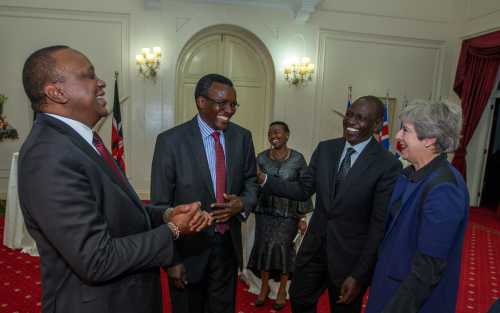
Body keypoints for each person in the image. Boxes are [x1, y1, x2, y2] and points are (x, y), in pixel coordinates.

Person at [18, 45, 212, 313]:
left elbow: (112, 210)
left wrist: (165, 215)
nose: (101, 83)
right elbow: (96, 259)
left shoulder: (78, 141)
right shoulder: (48, 154)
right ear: (56, 92)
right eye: (88, 76)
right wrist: (174, 230)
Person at [257, 96, 402, 313]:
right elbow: (303, 189)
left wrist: (360, 274)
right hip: (314, 250)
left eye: (361, 118)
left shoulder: (387, 164)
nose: (351, 122)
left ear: (377, 125)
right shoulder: (326, 149)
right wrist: (265, 180)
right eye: (350, 115)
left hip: (349, 259)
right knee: (299, 299)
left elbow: (378, 225)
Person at [150, 73, 258, 313]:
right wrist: (172, 260)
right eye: (223, 103)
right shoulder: (170, 142)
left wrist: (243, 203)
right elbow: (160, 206)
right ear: (201, 101)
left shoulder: (242, 138)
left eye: (233, 104)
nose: (229, 110)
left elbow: (252, 181)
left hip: (227, 248)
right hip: (187, 252)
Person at [365, 100, 469, 313]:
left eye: (406, 130)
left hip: (409, 302)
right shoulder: (410, 174)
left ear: (430, 139)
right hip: (388, 286)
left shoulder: (445, 189)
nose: (397, 136)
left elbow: (428, 267)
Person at [247, 121, 312, 310]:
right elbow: (252, 185)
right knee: (263, 249)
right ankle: (264, 287)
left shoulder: (298, 159)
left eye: (277, 132)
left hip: (288, 215)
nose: (273, 135)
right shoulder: (260, 158)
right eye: (270, 133)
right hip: (265, 212)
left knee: (284, 252)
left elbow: (304, 189)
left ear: (287, 135)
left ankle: (283, 290)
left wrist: (302, 217)